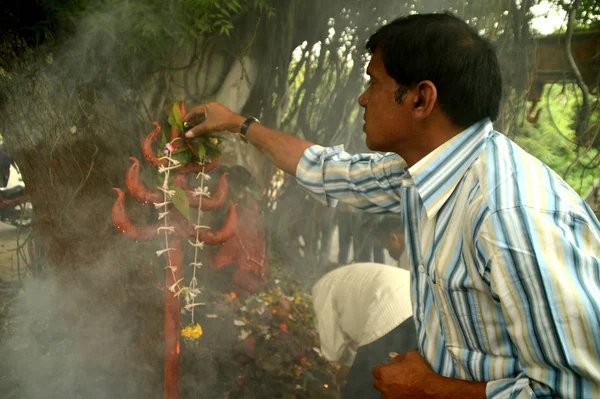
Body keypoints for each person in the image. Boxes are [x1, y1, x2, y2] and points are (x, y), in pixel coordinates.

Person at [183, 12, 600, 398]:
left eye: (374, 83)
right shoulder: (418, 173)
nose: (363, 99)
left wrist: (432, 388)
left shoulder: (510, 215)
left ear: (421, 100)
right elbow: (327, 169)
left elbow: (576, 392)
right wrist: (237, 123)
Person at [312, 262, 415, 399]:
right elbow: (358, 341)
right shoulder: (354, 277)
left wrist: (336, 366)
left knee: (361, 389)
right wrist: (349, 365)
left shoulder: (322, 285)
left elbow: (329, 335)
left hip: (389, 312)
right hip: (417, 308)